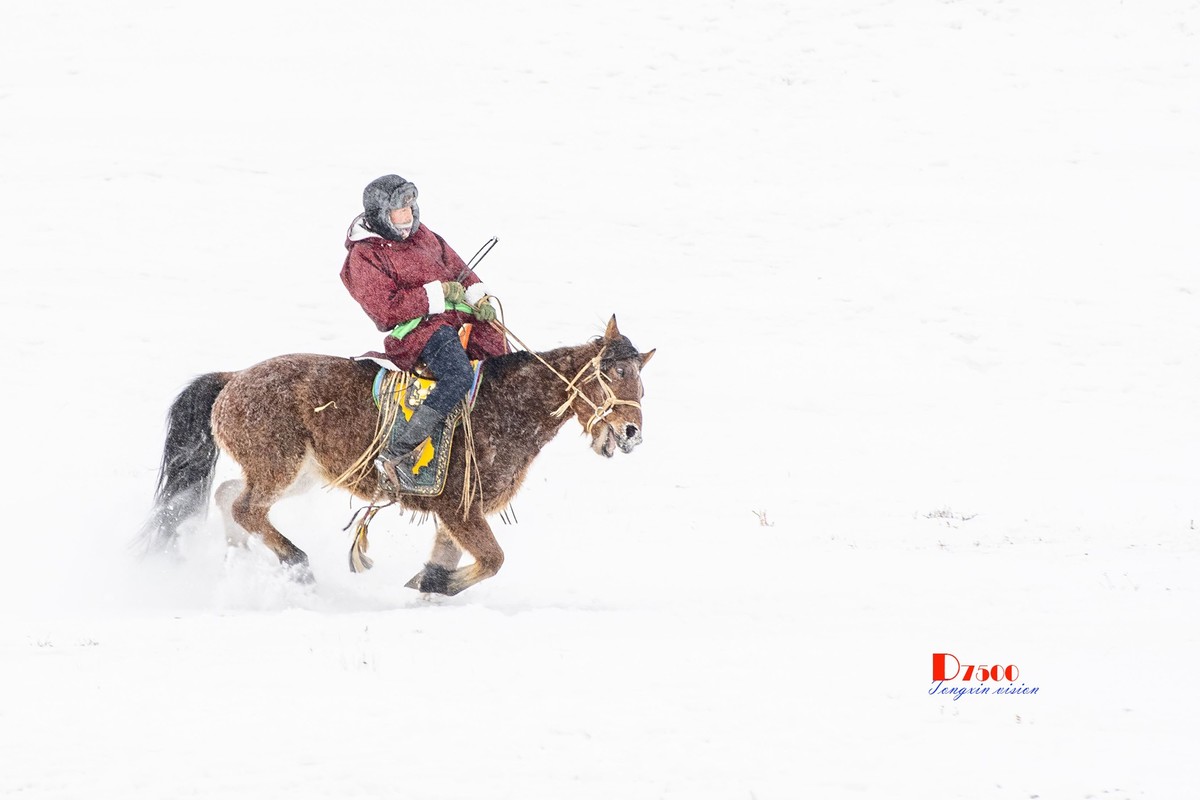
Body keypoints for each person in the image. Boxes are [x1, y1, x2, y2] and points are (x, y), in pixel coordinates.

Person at [341, 174, 507, 491]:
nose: (407, 218)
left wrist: (478, 297)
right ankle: (397, 452)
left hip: (452, 318)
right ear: (380, 215)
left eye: (410, 208)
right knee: (458, 374)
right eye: (398, 212)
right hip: (416, 332)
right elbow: (384, 308)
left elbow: (459, 268)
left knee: (497, 351)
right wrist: (439, 295)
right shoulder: (364, 256)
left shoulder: (423, 236)